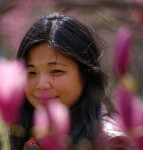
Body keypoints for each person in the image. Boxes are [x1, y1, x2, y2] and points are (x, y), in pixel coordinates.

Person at [11, 13, 133, 150]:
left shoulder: (111, 143)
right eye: (31, 73)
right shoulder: (34, 136)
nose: (41, 84)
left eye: (56, 71)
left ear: (85, 75)